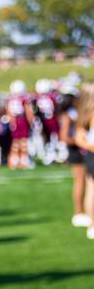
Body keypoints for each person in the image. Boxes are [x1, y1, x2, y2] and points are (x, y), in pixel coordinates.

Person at [59, 88, 90, 227]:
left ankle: (84, 212)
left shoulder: (75, 113)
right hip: (76, 151)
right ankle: (78, 212)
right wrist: (80, 141)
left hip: (80, 148)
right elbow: (64, 136)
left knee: (85, 182)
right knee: (80, 181)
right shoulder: (68, 114)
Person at [71, 82, 94, 240]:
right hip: (91, 154)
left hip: (89, 155)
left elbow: (79, 139)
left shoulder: (83, 113)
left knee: (91, 189)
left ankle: (92, 223)